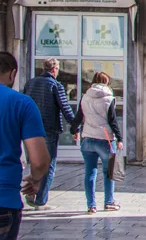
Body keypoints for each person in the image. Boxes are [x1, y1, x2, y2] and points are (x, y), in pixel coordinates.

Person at [0, 51, 49, 240]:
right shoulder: (22, 103)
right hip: (4, 199)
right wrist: (35, 179)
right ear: (12, 74)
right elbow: (39, 161)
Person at [21, 58, 75, 209]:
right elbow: (65, 108)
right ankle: (40, 201)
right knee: (48, 164)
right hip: (49, 129)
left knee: (34, 162)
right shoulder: (55, 85)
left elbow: (23, 103)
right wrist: (75, 127)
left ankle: (31, 193)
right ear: (55, 69)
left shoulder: (30, 83)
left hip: (30, 129)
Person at [70, 72, 122, 215]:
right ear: (107, 83)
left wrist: (74, 130)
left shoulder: (84, 97)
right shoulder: (109, 99)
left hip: (88, 139)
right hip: (105, 140)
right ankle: (109, 202)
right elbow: (113, 120)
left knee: (90, 173)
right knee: (109, 173)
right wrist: (120, 138)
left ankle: (91, 205)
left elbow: (79, 117)